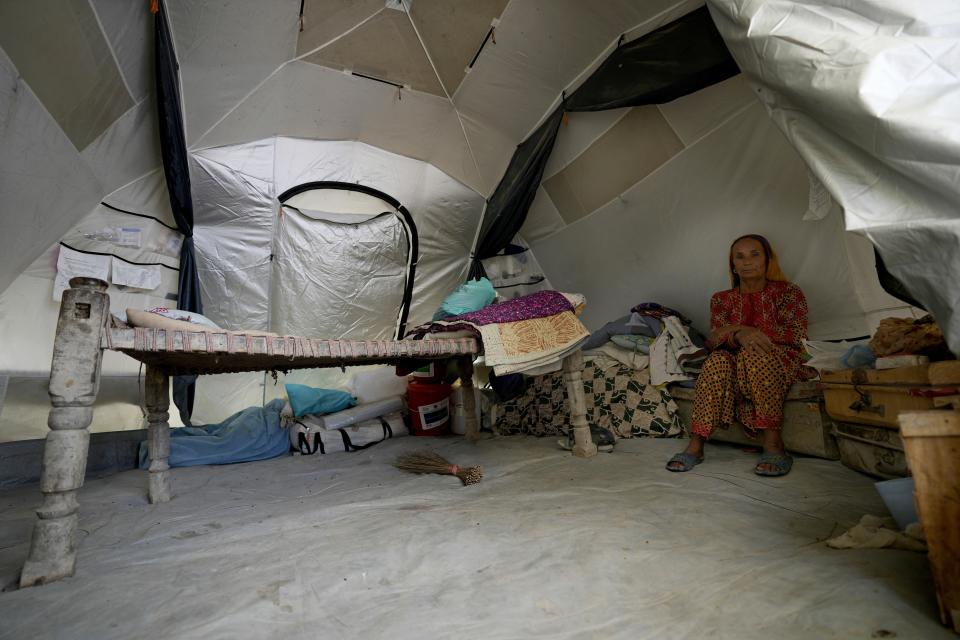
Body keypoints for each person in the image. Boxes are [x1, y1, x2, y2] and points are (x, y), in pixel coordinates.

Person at [666, 234, 809, 476]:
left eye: (755, 254)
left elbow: (795, 333)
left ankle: (774, 445)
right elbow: (714, 340)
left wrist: (741, 331)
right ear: (733, 264)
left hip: (780, 358)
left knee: (755, 356)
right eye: (739, 256)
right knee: (717, 361)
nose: (747, 261)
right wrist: (739, 335)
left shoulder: (788, 292)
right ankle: (696, 444)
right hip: (734, 358)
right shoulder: (722, 299)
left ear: (767, 260)